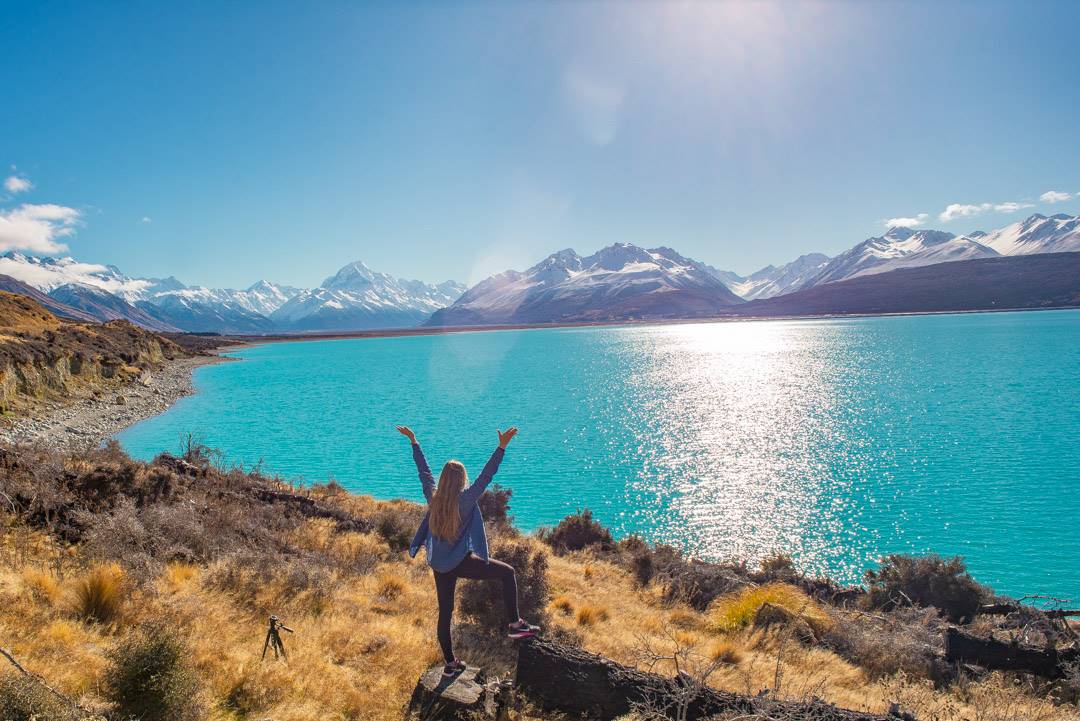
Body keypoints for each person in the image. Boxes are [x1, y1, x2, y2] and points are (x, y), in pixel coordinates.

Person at [396, 424, 540, 677]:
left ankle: (450, 664)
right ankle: (515, 624)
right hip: (460, 562)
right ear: (461, 480)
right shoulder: (465, 499)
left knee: (445, 614)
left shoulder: (433, 497)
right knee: (507, 573)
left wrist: (414, 442)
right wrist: (501, 447)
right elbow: (486, 476)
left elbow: (424, 472)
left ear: (443, 479)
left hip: (439, 564)